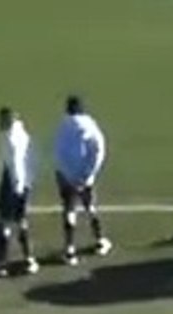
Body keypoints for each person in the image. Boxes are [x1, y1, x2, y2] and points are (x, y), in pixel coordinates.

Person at [54, 95, 111, 266]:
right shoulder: (89, 125)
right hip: (84, 177)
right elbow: (98, 150)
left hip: (66, 176)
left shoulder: (63, 126)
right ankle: (99, 240)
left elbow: (58, 151)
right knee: (90, 207)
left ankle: (69, 249)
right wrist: (88, 173)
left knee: (69, 210)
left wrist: (65, 173)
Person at [0, 107, 37, 276]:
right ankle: (29, 259)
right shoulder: (23, 135)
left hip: (12, 185)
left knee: (5, 224)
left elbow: (14, 164)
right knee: (21, 222)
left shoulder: (9, 139)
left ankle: (3, 263)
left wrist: (16, 188)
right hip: (24, 183)